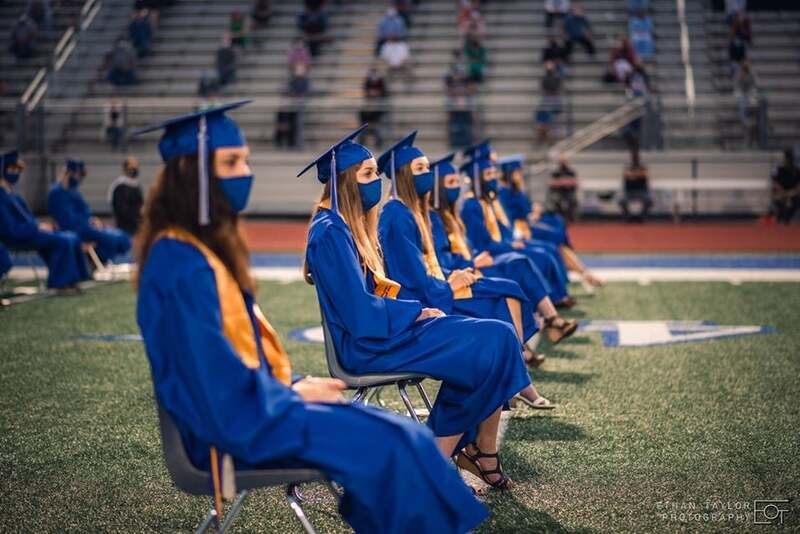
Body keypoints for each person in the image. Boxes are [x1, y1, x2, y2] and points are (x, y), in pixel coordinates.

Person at [133, 102, 493, 533]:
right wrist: (293, 395)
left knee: (404, 438)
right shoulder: (179, 263)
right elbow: (210, 384)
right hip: (229, 433)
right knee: (396, 442)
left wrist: (292, 386)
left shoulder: (193, 251)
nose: (245, 172)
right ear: (192, 173)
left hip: (254, 412)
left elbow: (224, 365)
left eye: (245, 160)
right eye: (231, 162)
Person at [302, 127, 544, 494]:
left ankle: (471, 454)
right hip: (368, 344)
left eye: (375, 174)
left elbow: (372, 297)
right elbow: (359, 313)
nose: (376, 184)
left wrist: (411, 312)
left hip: (385, 330)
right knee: (494, 338)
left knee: (497, 336)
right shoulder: (330, 232)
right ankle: (441, 463)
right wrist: (415, 313)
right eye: (366, 176)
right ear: (343, 183)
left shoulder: (345, 226)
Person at [376, 133, 547, 367]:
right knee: (499, 296)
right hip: (423, 299)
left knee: (507, 287)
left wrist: (454, 277)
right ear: (404, 174)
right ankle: (514, 371)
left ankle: (515, 368)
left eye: (427, 167)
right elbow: (411, 277)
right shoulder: (396, 215)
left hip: (437, 283)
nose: (428, 173)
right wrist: (448, 285)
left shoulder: (410, 211)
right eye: (421, 168)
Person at [428, 153, 578, 353]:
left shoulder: (453, 212)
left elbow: (479, 241)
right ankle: (534, 336)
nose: (456, 187)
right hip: (463, 270)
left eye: (457, 181)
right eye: (451, 182)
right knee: (518, 267)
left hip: (473, 263)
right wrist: (473, 261)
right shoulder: (463, 209)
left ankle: (542, 327)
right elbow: (475, 246)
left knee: (528, 259)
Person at [459, 144, 575, 309]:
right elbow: (482, 242)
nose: (493, 177)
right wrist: (510, 244)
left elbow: (504, 228)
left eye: (494, 173)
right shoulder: (471, 205)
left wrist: (512, 240)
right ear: (477, 178)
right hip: (489, 253)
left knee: (545, 250)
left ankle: (555, 297)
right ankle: (548, 303)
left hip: (505, 243)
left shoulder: (488, 199)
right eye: (488, 174)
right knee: (537, 256)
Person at [499, 155, 603, 288]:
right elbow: (512, 216)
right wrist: (532, 214)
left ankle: (576, 270)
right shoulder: (503, 192)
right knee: (555, 236)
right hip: (520, 229)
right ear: (509, 173)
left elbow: (525, 207)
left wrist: (533, 210)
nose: (520, 174)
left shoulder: (514, 188)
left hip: (527, 222)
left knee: (557, 222)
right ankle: (582, 272)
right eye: (517, 171)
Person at [0, 151, 88, 292]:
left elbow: (28, 219)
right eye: (11, 169)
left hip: (29, 232)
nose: (15, 173)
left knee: (68, 237)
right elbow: (10, 229)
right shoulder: (2, 196)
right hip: (17, 237)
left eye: (17, 170)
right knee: (63, 240)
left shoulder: (13, 195)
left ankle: (70, 279)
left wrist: (40, 225)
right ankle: (60, 283)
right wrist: (36, 227)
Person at [48, 159, 132, 263]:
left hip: (86, 227)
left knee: (121, 237)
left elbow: (85, 212)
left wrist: (92, 220)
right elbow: (67, 221)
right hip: (77, 230)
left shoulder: (73, 192)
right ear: (70, 173)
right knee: (113, 240)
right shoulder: (57, 193)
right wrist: (89, 224)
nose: (80, 179)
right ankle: (94, 262)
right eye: (79, 175)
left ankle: (99, 262)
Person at [108, 156, 144, 235]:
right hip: (124, 228)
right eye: (132, 167)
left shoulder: (136, 185)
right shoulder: (120, 186)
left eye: (136, 166)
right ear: (125, 168)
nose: (135, 169)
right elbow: (121, 210)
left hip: (136, 227)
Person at [359, 65, 389, 148]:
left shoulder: (381, 81)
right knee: (363, 128)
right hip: (368, 114)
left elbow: (384, 93)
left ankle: (378, 144)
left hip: (378, 110)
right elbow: (365, 91)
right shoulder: (367, 81)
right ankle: (361, 144)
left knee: (377, 128)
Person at [619, 152, 652, 222]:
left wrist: (633, 175)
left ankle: (642, 217)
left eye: (636, 158)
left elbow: (644, 174)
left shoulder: (642, 167)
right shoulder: (628, 167)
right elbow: (626, 174)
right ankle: (627, 217)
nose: (635, 160)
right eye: (634, 158)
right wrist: (637, 175)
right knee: (622, 201)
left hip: (642, 191)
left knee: (649, 201)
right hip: (629, 192)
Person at [770, 148, 799, 224]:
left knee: (795, 201)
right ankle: (779, 218)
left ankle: (787, 219)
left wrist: (791, 193)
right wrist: (783, 193)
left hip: (793, 194)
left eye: (790, 158)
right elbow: (775, 183)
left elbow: (798, 186)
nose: (788, 160)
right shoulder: (779, 169)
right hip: (780, 193)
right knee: (779, 200)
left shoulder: (797, 170)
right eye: (787, 158)